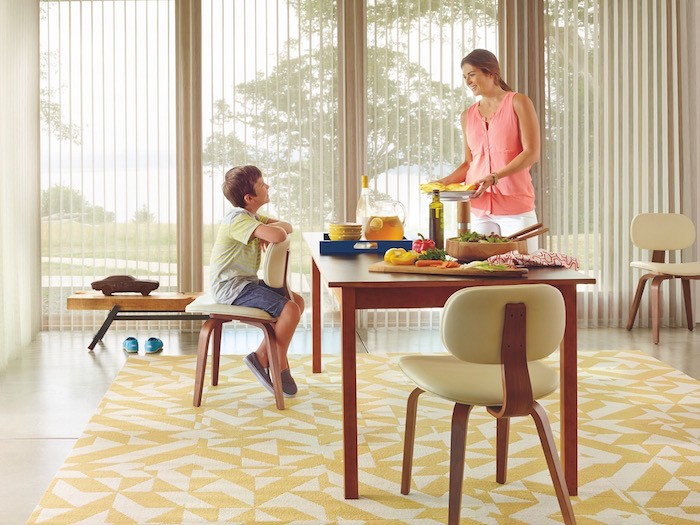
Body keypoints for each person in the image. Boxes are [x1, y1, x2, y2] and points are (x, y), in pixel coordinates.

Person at [209, 165, 305, 397]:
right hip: (231, 288)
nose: (268, 186)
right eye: (262, 184)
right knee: (290, 310)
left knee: (297, 301)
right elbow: (279, 234)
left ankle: (262, 356)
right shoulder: (237, 219)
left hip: (245, 284)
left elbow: (287, 226)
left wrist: (265, 228)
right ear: (249, 197)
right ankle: (277, 361)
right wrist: (268, 230)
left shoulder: (251, 217)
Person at [436, 49, 541, 252]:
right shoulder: (467, 115)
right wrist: (443, 183)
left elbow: (531, 153)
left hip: (516, 210)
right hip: (480, 209)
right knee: (480, 270)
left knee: (523, 270)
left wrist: (494, 177)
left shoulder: (518, 102)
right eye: (465, 76)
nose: (468, 81)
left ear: (491, 72)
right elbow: (469, 163)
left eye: (472, 74)